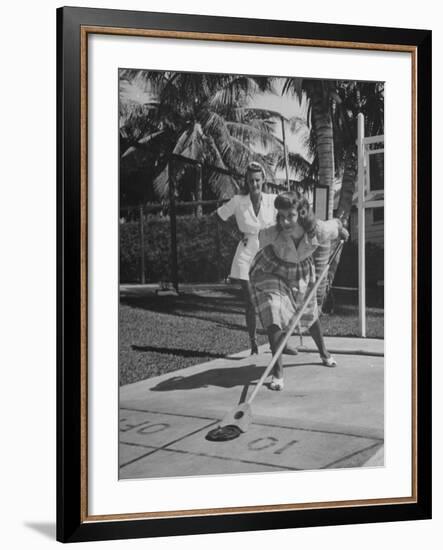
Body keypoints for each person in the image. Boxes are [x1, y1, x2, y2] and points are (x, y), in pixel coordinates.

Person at [250, 191, 349, 390]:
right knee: (273, 309)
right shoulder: (272, 232)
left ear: (302, 213)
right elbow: (254, 240)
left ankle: (324, 353)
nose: (285, 222)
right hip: (273, 271)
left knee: (309, 314)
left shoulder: (318, 230)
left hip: (301, 273)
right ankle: (277, 372)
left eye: (290, 216)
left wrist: (342, 230)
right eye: (281, 216)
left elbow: (336, 225)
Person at [216, 162, 289, 355]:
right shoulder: (238, 201)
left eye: (257, 180)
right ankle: (253, 343)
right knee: (250, 301)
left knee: (275, 299)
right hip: (246, 253)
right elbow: (219, 216)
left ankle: (281, 341)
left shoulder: (273, 200)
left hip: (269, 254)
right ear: (246, 182)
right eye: (250, 181)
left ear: (263, 180)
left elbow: (288, 216)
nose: (254, 184)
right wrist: (234, 234)